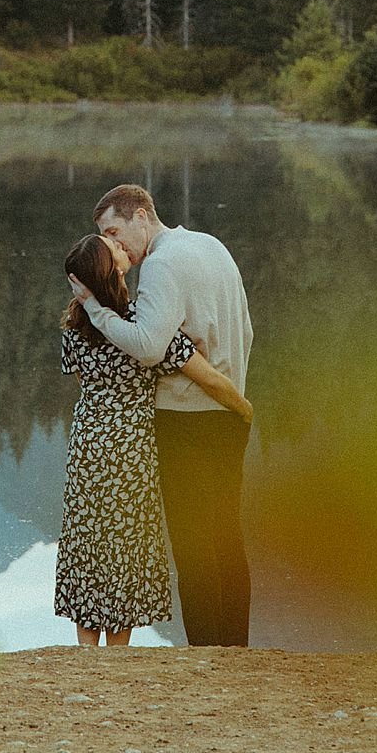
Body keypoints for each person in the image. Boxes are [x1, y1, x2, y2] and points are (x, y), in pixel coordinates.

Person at [69, 182, 254, 646]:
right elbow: (245, 328)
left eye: (115, 230)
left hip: (185, 419)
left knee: (194, 545)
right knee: (226, 537)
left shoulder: (161, 264)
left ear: (141, 216)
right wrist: (239, 401)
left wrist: (95, 310)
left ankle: (208, 653)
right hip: (226, 415)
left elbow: (150, 346)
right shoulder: (211, 246)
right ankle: (235, 650)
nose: (115, 244)